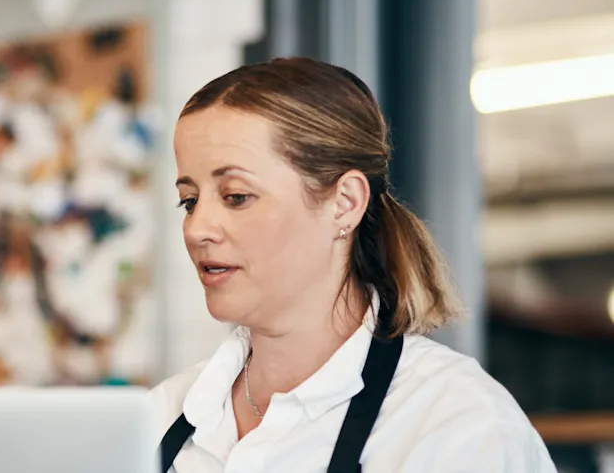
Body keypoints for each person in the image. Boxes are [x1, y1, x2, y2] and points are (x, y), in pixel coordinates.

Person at [150, 57, 556, 472]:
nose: (197, 228)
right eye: (190, 201)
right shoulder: (157, 417)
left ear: (345, 204)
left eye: (236, 196)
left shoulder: (456, 425)